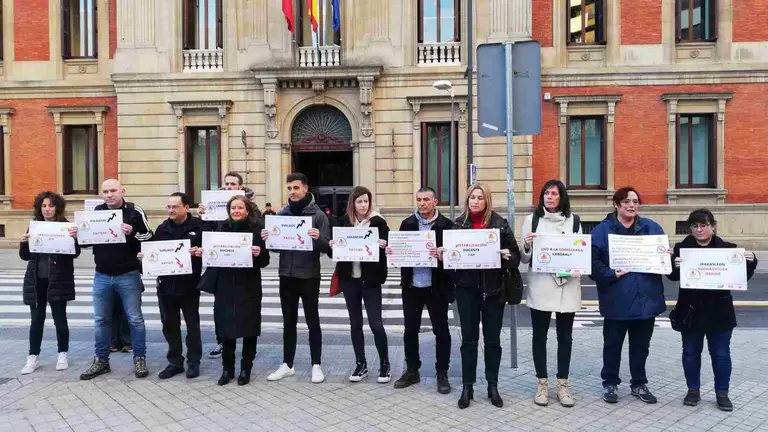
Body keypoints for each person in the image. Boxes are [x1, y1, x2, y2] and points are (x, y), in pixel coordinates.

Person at [667, 209, 758, 411]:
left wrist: (752, 261)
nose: (699, 230)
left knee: (721, 354)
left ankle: (722, 393)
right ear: (690, 228)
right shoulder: (682, 248)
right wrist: (674, 265)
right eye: (694, 226)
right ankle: (693, 390)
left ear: (713, 226)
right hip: (691, 311)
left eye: (703, 225)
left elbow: (742, 277)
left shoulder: (727, 250)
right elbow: (672, 276)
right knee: (690, 353)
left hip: (719, 312)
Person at [590, 187, 668, 404]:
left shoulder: (651, 228)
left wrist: (665, 256)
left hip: (646, 300)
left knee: (641, 346)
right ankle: (610, 383)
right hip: (616, 300)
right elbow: (592, 263)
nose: (631, 205)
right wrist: (610, 273)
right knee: (612, 345)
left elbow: (664, 262)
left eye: (635, 201)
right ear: (616, 205)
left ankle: (639, 383)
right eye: (626, 201)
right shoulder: (601, 231)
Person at [450, 183, 520, 409]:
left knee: (492, 342)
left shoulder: (499, 224)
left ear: (487, 200)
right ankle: (467, 386)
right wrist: (444, 255)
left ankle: (492, 386)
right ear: (467, 200)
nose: (476, 201)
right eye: (472, 197)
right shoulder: (458, 225)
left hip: (493, 291)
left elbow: (516, 256)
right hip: (467, 291)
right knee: (468, 342)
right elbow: (451, 260)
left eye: (480, 197)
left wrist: (507, 255)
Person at [79, 179, 154, 380]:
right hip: (102, 274)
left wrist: (133, 232)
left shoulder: (134, 211)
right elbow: (86, 243)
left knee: (135, 319)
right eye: (105, 191)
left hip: (128, 274)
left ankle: (140, 358)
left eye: (113, 191)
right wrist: (77, 234)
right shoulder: (96, 212)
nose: (109, 195)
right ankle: (101, 360)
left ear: (122, 191)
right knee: (101, 320)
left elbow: (149, 236)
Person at [262, 173, 330, 384]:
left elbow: (327, 248)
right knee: (288, 321)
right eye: (289, 188)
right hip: (286, 274)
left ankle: (316, 365)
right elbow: (274, 247)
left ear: (305, 188)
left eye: (296, 188)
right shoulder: (281, 216)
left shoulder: (318, 216)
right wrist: (267, 239)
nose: (292, 192)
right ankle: (287, 364)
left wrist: (318, 238)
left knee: (313, 321)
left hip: (309, 275)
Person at [195, 196, 270, 386]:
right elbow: (210, 251)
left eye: (240, 208)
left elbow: (265, 261)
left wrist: (258, 253)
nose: (236, 211)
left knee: (249, 328)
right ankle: (227, 369)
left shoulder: (256, 230)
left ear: (247, 210)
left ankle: (246, 368)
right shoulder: (221, 228)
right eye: (233, 208)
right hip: (225, 285)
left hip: (248, 284)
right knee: (226, 328)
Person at [521, 180, 582, 407]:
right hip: (542, 284)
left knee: (565, 337)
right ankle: (542, 383)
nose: (549, 197)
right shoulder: (532, 220)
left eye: (554, 193)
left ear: (561, 197)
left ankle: (563, 384)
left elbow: (579, 252)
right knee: (540, 335)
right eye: (546, 193)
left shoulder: (574, 220)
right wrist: (527, 246)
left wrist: (577, 266)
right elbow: (524, 257)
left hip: (567, 286)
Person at [387, 186, 453, 394]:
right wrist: (393, 251)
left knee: (441, 331)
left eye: (426, 199)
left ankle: (442, 372)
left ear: (435, 202)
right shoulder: (407, 224)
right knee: (410, 330)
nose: (422, 203)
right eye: (419, 200)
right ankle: (412, 370)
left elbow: (454, 258)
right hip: (412, 286)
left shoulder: (447, 226)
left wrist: (444, 255)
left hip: (437, 287)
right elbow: (399, 252)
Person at [328, 186, 390, 383]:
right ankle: (360, 363)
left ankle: (385, 364)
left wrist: (384, 245)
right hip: (350, 280)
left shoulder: (379, 222)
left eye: (366, 201)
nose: (363, 205)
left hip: (370, 281)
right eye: (359, 201)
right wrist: (332, 247)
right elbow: (334, 254)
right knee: (355, 323)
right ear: (352, 203)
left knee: (376, 324)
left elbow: (389, 247)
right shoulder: (343, 222)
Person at [140, 192, 205, 379]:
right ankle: (175, 362)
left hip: (190, 285)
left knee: (192, 325)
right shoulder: (162, 229)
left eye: (175, 206)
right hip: (166, 286)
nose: (171, 210)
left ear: (186, 208)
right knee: (169, 324)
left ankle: (193, 361)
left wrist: (201, 252)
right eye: (169, 207)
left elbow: (210, 251)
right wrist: (144, 259)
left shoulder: (198, 228)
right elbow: (152, 253)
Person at [198, 171, 261, 358]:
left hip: (244, 270)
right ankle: (222, 342)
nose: (228, 187)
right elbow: (207, 234)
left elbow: (258, 229)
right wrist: (203, 216)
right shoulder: (214, 207)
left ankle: (247, 351)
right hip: (222, 268)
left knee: (246, 311)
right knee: (222, 310)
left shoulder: (252, 209)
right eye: (226, 184)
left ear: (240, 187)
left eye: (233, 184)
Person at [19, 191, 80, 374]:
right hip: (37, 280)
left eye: (51, 206)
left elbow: (75, 253)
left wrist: (75, 239)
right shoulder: (34, 227)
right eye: (44, 206)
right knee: (36, 320)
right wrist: (23, 242)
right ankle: (33, 356)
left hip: (58, 280)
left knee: (60, 319)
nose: (47, 209)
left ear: (57, 208)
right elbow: (25, 256)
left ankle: (62, 354)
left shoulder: (66, 227)